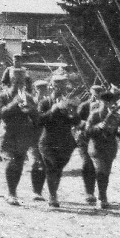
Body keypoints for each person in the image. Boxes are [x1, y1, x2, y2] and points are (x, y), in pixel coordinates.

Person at [0, 68, 38, 206]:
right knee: (10, 162)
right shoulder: (2, 96)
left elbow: (36, 118)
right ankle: (11, 193)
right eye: (17, 81)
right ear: (11, 81)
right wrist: (14, 103)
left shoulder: (28, 97)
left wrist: (31, 109)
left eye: (22, 81)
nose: (20, 84)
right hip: (6, 135)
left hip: (22, 137)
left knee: (18, 166)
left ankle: (13, 191)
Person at [36, 74, 80, 207]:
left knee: (58, 169)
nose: (60, 88)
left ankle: (53, 193)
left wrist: (73, 113)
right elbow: (38, 121)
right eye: (57, 85)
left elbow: (76, 121)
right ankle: (53, 196)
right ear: (52, 86)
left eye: (62, 85)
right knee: (52, 167)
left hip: (65, 143)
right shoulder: (45, 102)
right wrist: (53, 110)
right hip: (48, 142)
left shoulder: (69, 102)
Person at [85, 87, 120, 209]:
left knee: (105, 172)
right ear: (100, 102)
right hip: (96, 148)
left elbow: (118, 133)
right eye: (105, 102)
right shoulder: (94, 115)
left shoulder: (116, 116)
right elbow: (87, 132)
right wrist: (98, 127)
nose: (107, 105)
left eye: (110, 102)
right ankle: (103, 197)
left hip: (110, 148)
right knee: (101, 171)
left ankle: (102, 195)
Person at [76, 84, 104, 204]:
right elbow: (76, 121)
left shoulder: (104, 107)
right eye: (94, 95)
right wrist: (88, 124)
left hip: (99, 139)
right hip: (84, 139)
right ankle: (89, 192)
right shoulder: (84, 106)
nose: (95, 97)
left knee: (101, 167)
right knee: (87, 164)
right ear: (90, 94)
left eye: (98, 95)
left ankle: (102, 195)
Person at [28, 80, 49, 200]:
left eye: (44, 88)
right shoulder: (32, 102)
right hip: (34, 137)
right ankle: (36, 192)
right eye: (39, 88)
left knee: (45, 164)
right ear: (35, 89)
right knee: (36, 163)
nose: (42, 91)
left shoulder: (48, 103)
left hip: (47, 137)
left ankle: (39, 191)